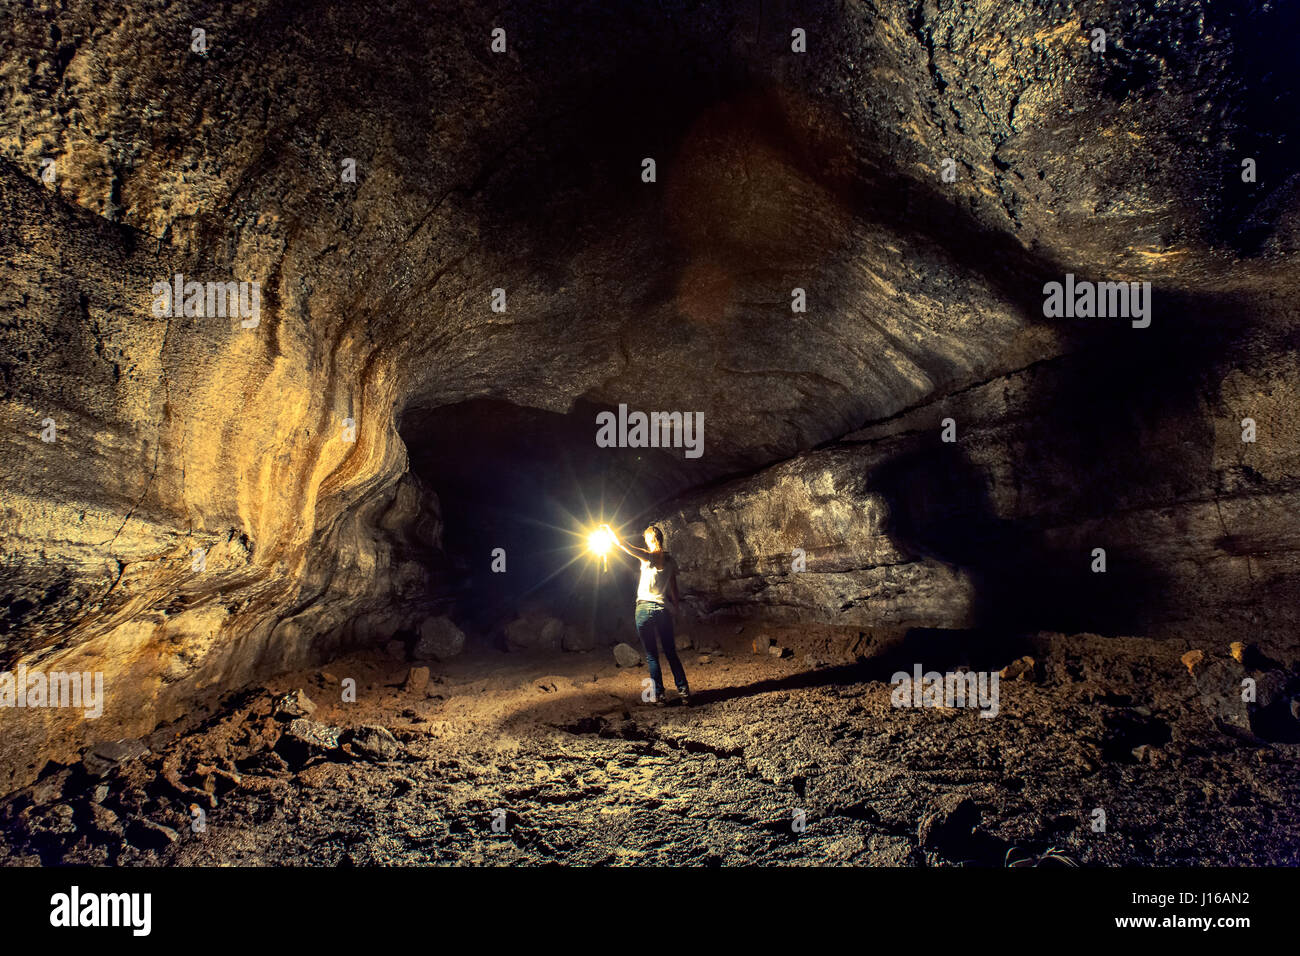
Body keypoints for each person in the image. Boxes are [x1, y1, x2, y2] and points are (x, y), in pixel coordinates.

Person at [604, 523, 690, 706]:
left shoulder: (648, 557)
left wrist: (609, 529)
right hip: (662, 610)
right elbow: (674, 589)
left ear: (650, 539)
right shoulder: (670, 560)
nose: (644, 541)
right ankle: (684, 692)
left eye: (645, 539)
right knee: (671, 653)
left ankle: (659, 696)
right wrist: (676, 610)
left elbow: (623, 545)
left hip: (644, 609)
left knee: (652, 656)